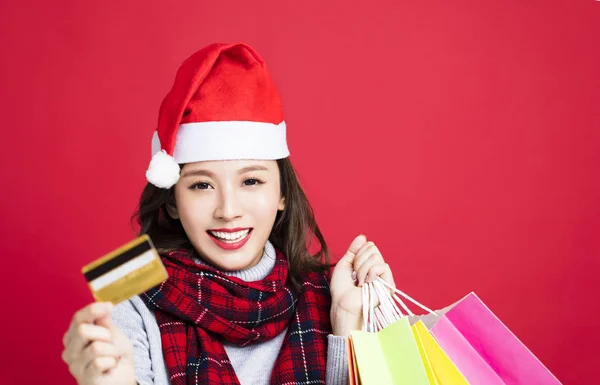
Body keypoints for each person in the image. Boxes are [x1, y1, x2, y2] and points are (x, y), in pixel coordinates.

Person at [61, 42, 397, 385]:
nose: (228, 211)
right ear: (173, 200)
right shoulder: (131, 294)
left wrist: (349, 328)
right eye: (201, 186)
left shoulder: (332, 293)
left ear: (282, 193)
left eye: (251, 181)